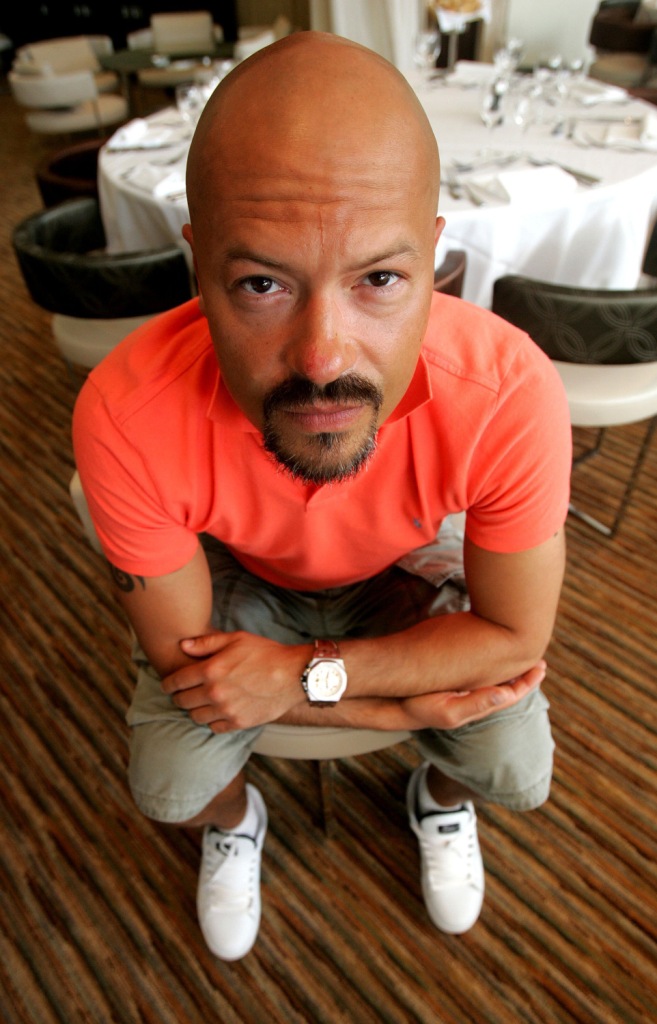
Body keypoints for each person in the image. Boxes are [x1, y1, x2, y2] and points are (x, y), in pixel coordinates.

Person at [73, 31, 571, 962]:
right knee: (171, 784)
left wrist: (299, 677)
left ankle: (439, 797)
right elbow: (188, 666)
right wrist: (396, 710)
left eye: (379, 279)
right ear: (199, 266)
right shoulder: (124, 411)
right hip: (241, 577)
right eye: (261, 283)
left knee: (510, 762)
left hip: (405, 565)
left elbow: (513, 637)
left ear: (433, 259)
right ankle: (236, 818)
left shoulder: (509, 392)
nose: (321, 358)